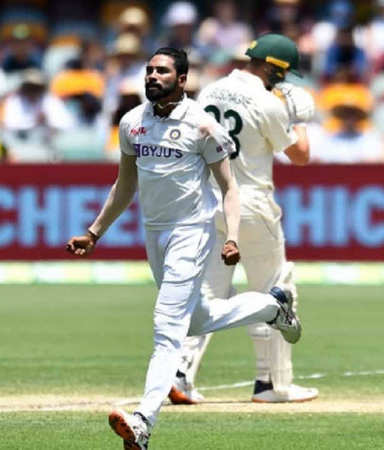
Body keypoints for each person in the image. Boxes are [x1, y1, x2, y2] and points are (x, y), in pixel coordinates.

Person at [66, 47, 302, 449]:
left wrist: (229, 236)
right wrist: (95, 232)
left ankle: (143, 420)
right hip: (155, 233)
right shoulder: (131, 122)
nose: (152, 76)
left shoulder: (202, 125)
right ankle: (271, 306)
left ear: (181, 79)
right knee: (196, 318)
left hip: (192, 231)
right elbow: (126, 185)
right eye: (149, 70)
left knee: (167, 327)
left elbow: (229, 187)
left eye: (162, 71)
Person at [168, 34, 318, 406]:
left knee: (206, 294)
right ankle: (273, 385)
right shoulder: (268, 103)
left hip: (210, 202)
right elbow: (300, 156)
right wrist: (298, 119)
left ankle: (180, 376)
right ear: (272, 68)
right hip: (250, 205)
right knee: (276, 291)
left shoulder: (210, 92)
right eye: (282, 76)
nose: (282, 84)